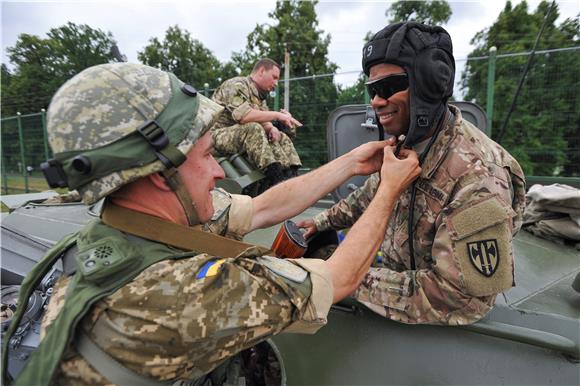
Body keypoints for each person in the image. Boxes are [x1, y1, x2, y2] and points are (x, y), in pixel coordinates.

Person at [2, 63, 420, 385]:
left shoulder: (120, 228)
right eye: (205, 156)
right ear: (156, 175)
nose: (219, 172)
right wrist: (388, 190)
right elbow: (339, 279)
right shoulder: (178, 294)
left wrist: (350, 164)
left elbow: (260, 210)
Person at [298, 22, 527, 325]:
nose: (376, 101)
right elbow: (370, 196)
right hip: (397, 290)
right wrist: (318, 223)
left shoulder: (480, 175)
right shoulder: (411, 143)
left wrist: (337, 278)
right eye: (373, 90)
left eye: (389, 87)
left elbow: (460, 298)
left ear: (430, 85)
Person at [211, 58, 302, 186]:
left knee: (279, 136)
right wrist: (277, 115)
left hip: (239, 136)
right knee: (253, 128)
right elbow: (244, 116)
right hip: (216, 138)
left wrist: (272, 129)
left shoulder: (259, 97)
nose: (276, 83)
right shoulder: (236, 85)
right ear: (261, 71)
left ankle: (291, 175)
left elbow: (263, 120)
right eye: (274, 77)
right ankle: (275, 179)